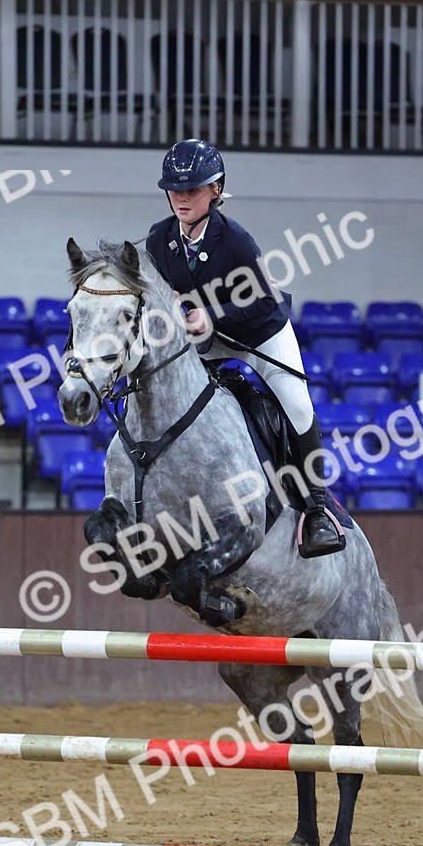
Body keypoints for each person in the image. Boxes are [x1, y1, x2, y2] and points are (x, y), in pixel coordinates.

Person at [145, 138, 346, 558]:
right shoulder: (159, 239)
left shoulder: (235, 239)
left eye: (193, 189)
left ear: (215, 190)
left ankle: (317, 510)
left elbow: (263, 299)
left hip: (260, 332)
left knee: (297, 404)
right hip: (207, 342)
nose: (182, 198)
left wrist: (211, 314)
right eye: (176, 190)